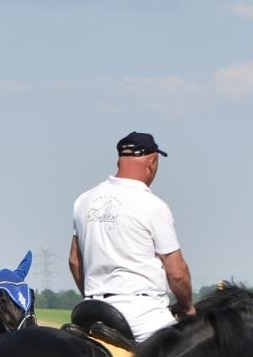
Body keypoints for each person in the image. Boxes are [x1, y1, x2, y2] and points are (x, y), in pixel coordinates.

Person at [68, 131, 195, 343]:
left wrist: (94, 298)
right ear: (152, 162)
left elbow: (74, 261)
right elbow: (177, 272)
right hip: (143, 317)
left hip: (91, 312)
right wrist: (187, 305)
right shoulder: (153, 206)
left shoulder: (84, 200)